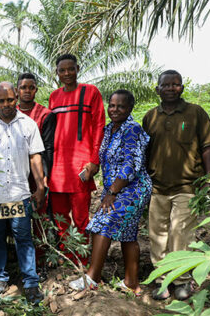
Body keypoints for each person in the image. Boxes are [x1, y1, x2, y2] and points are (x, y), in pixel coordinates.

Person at [142, 70, 210, 301]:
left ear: (182, 88)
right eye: (166, 85)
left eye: (176, 85)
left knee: (181, 234)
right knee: (157, 236)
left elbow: (207, 148)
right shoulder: (150, 117)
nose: (171, 88)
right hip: (157, 187)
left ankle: (182, 280)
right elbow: (143, 152)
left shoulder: (196, 113)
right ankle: (161, 281)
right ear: (158, 89)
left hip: (187, 186)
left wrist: (208, 180)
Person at [69, 90, 151, 296]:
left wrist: (112, 191)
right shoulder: (109, 130)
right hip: (116, 189)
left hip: (132, 188)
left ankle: (92, 278)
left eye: (121, 106)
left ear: (130, 108)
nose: (115, 110)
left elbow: (131, 164)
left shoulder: (132, 129)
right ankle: (132, 282)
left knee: (102, 223)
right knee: (128, 234)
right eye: (112, 105)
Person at [0, 82, 45, 304]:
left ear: (16, 98)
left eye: (10, 100)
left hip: (20, 194)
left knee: (23, 238)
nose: (6, 105)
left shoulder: (28, 124)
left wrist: (40, 185)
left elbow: (35, 156)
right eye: (1, 101)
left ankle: (31, 283)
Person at [47, 54, 105, 265]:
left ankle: (82, 258)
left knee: (81, 218)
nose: (67, 74)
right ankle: (67, 257)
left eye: (70, 69)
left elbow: (100, 126)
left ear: (77, 69)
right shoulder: (54, 97)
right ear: (57, 73)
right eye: (62, 70)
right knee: (61, 218)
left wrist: (94, 161)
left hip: (81, 166)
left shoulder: (91, 92)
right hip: (57, 169)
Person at [16, 72, 55, 277]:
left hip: (37, 175)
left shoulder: (45, 114)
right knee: (16, 220)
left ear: (36, 90)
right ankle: (19, 262)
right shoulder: (7, 111)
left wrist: (44, 178)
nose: (27, 91)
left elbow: (47, 149)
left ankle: (41, 261)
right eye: (23, 87)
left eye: (31, 87)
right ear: (17, 90)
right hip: (15, 176)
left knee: (39, 219)